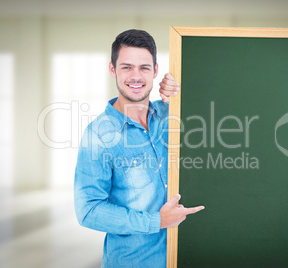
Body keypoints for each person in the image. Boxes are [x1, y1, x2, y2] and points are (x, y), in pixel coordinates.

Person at [74, 29, 204, 267]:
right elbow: (88, 210)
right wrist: (156, 221)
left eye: (144, 67)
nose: (136, 76)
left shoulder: (172, 113)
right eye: (127, 67)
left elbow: (217, 100)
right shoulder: (98, 135)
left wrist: (180, 87)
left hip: (189, 255)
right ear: (112, 69)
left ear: (155, 71)